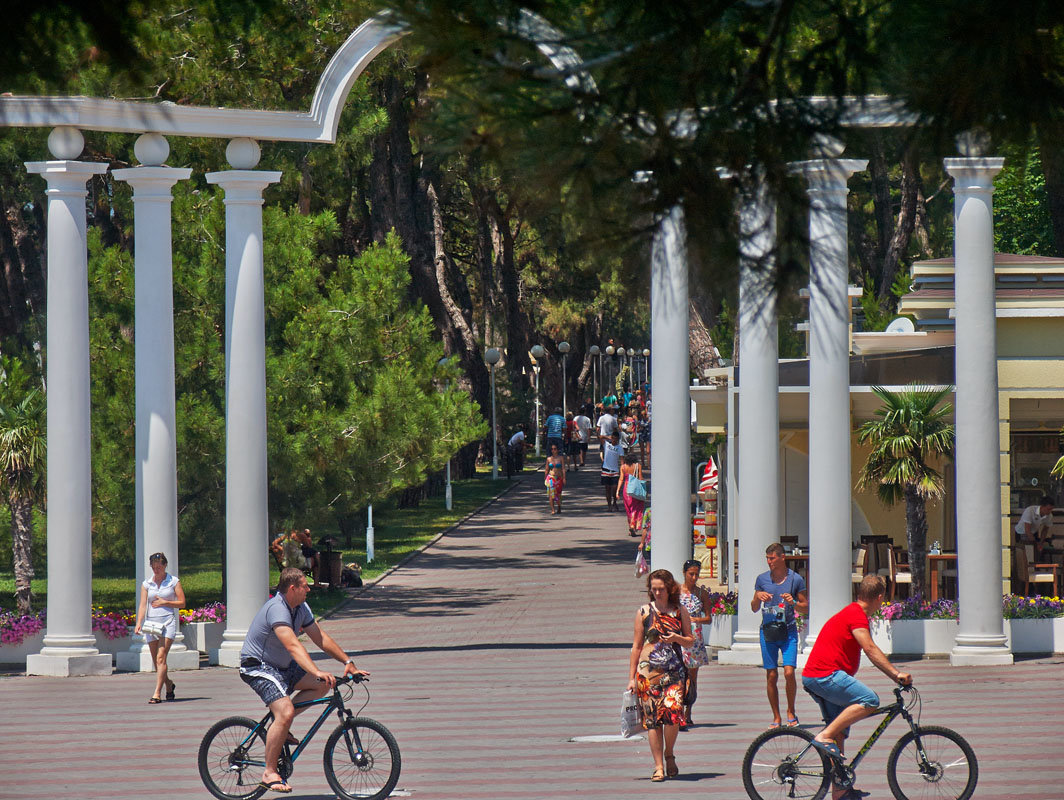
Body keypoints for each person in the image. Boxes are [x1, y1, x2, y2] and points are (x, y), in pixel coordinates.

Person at [239, 567, 369, 794]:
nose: (309, 589)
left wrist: (347, 662)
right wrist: (317, 670)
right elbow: (292, 645)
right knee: (286, 711)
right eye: (304, 586)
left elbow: (320, 637)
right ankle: (269, 772)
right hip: (258, 667)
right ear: (292, 589)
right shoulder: (277, 609)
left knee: (323, 686)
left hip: (283, 667)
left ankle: (280, 725)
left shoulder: (300, 607)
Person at [803, 575, 912, 800]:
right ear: (879, 598)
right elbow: (870, 649)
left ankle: (840, 791)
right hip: (825, 676)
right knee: (870, 700)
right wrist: (896, 674)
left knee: (839, 734)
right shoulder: (856, 616)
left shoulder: (852, 612)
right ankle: (824, 736)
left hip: (819, 675)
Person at [627, 569, 695, 782]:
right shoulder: (643, 612)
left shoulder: (679, 611)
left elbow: (690, 640)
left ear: (669, 589)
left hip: (674, 673)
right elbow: (636, 647)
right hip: (647, 675)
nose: (657, 593)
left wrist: (677, 638)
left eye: (661, 589)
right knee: (652, 722)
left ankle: (669, 754)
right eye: (654, 589)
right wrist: (631, 678)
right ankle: (658, 766)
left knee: (673, 716)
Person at [752, 542, 808, 728]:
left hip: (788, 630)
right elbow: (753, 608)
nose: (769, 562)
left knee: (789, 672)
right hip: (768, 631)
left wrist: (792, 603)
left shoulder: (796, 579)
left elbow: (805, 608)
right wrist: (757, 597)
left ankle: (791, 711)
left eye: (772, 558)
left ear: (782, 557)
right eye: (767, 558)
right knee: (771, 674)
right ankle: (776, 717)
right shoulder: (762, 579)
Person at [134, 552, 185, 704]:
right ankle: (169, 684)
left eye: (159, 567)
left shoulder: (173, 581)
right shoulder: (146, 584)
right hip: (151, 624)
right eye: (154, 567)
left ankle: (157, 693)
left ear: (165, 565)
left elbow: (182, 603)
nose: (156, 570)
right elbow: (143, 604)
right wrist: (139, 622)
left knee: (161, 657)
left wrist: (165, 602)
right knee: (157, 662)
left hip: (167, 622)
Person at [679, 560, 711, 729]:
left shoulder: (701, 593)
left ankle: (688, 712)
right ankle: (677, 711)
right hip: (680, 635)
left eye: (696, 574)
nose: (694, 577)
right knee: (678, 675)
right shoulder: (676, 592)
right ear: (684, 573)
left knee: (692, 677)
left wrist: (696, 619)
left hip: (695, 639)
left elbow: (708, 618)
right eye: (691, 574)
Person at [1015, 495, 1055, 560]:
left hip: (1034, 532)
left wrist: (1041, 542)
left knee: (1036, 552)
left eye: (1051, 509)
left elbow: (1045, 530)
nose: (1049, 511)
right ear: (1042, 506)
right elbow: (1027, 530)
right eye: (1048, 509)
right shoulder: (1030, 510)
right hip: (1021, 532)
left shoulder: (1049, 516)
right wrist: (1035, 543)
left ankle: (1035, 566)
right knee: (1023, 553)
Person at [617, 453, 646, 535]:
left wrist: (617, 491)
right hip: (635, 489)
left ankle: (630, 526)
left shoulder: (623, 467)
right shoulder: (637, 466)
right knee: (636, 507)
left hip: (626, 489)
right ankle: (634, 526)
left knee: (628, 509)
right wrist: (643, 488)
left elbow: (621, 479)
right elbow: (640, 477)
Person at [600, 430, 623, 511]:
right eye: (613, 438)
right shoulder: (607, 444)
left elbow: (621, 460)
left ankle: (615, 502)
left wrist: (622, 470)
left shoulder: (619, 448)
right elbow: (600, 437)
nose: (614, 440)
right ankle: (609, 505)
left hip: (615, 471)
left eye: (615, 439)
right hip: (606, 469)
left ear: (618, 439)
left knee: (614, 489)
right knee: (607, 489)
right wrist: (608, 437)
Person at [544, 441, 566, 515]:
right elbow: (546, 469)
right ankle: (552, 509)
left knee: (558, 494)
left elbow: (563, 468)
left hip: (559, 478)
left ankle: (559, 507)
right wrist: (545, 478)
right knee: (551, 494)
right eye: (552, 449)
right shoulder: (549, 459)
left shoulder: (561, 458)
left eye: (555, 449)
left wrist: (564, 478)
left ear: (558, 450)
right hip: (551, 478)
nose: (553, 450)